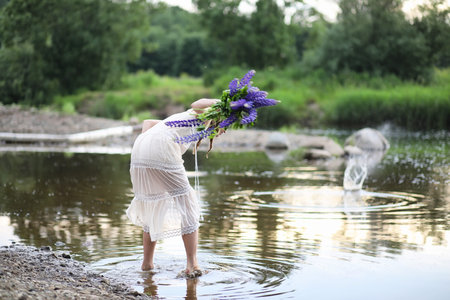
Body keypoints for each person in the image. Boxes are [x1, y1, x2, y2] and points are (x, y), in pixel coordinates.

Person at [126, 98, 219, 277]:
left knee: (152, 205)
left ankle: (147, 264)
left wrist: (149, 152)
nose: (220, 132)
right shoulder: (200, 114)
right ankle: (192, 265)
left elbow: (148, 123)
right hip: (160, 150)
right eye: (222, 127)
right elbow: (196, 103)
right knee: (188, 204)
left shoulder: (176, 120)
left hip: (140, 151)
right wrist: (227, 102)